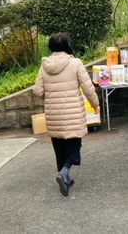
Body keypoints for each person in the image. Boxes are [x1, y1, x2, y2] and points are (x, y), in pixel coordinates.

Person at [33, 33, 100, 198]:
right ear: (67, 46)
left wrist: (51, 95)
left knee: (59, 148)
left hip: (53, 113)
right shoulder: (75, 63)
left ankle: (65, 179)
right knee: (74, 145)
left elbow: (38, 91)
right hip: (73, 114)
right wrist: (95, 105)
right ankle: (64, 172)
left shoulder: (45, 65)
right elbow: (88, 88)